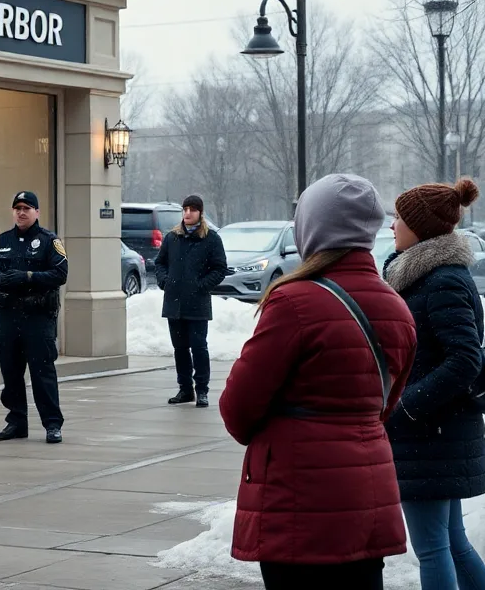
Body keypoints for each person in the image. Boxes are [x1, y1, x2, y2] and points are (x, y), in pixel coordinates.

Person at [220, 173, 417, 590]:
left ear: (311, 228)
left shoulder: (293, 301)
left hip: (299, 498)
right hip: (368, 494)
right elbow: (386, 404)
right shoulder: (397, 306)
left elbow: (237, 408)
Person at [383, 177, 485, 589]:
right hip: (436, 435)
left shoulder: (442, 279)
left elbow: (465, 359)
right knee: (451, 542)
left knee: (433, 547)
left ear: (421, 226)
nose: (392, 225)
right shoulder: (425, 274)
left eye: (399, 218)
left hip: (431, 435)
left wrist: (406, 405)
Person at [0, 191, 69, 444]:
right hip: (8, 316)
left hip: (37, 317)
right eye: (17, 208)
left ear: (36, 212)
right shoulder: (2, 240)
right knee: (10, 371)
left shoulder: (48, 241)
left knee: (42, 373)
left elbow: (60, 274)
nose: (21, 212)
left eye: (27, 208)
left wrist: (28, 277)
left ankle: (52, 424)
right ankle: (17, 422)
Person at [154, 194, 228, 407]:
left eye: (192, 210)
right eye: (185, 209)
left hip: (197, 303)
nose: (188, 213)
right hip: (174, 303)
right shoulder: (172, 238)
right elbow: (160, 263)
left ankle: (202, 390)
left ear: (200, 213)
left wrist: (201, 285)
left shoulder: (211, 239)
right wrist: (165, 281)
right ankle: (185, 389)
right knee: (180, 349)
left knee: (199, 347)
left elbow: (220, 268)